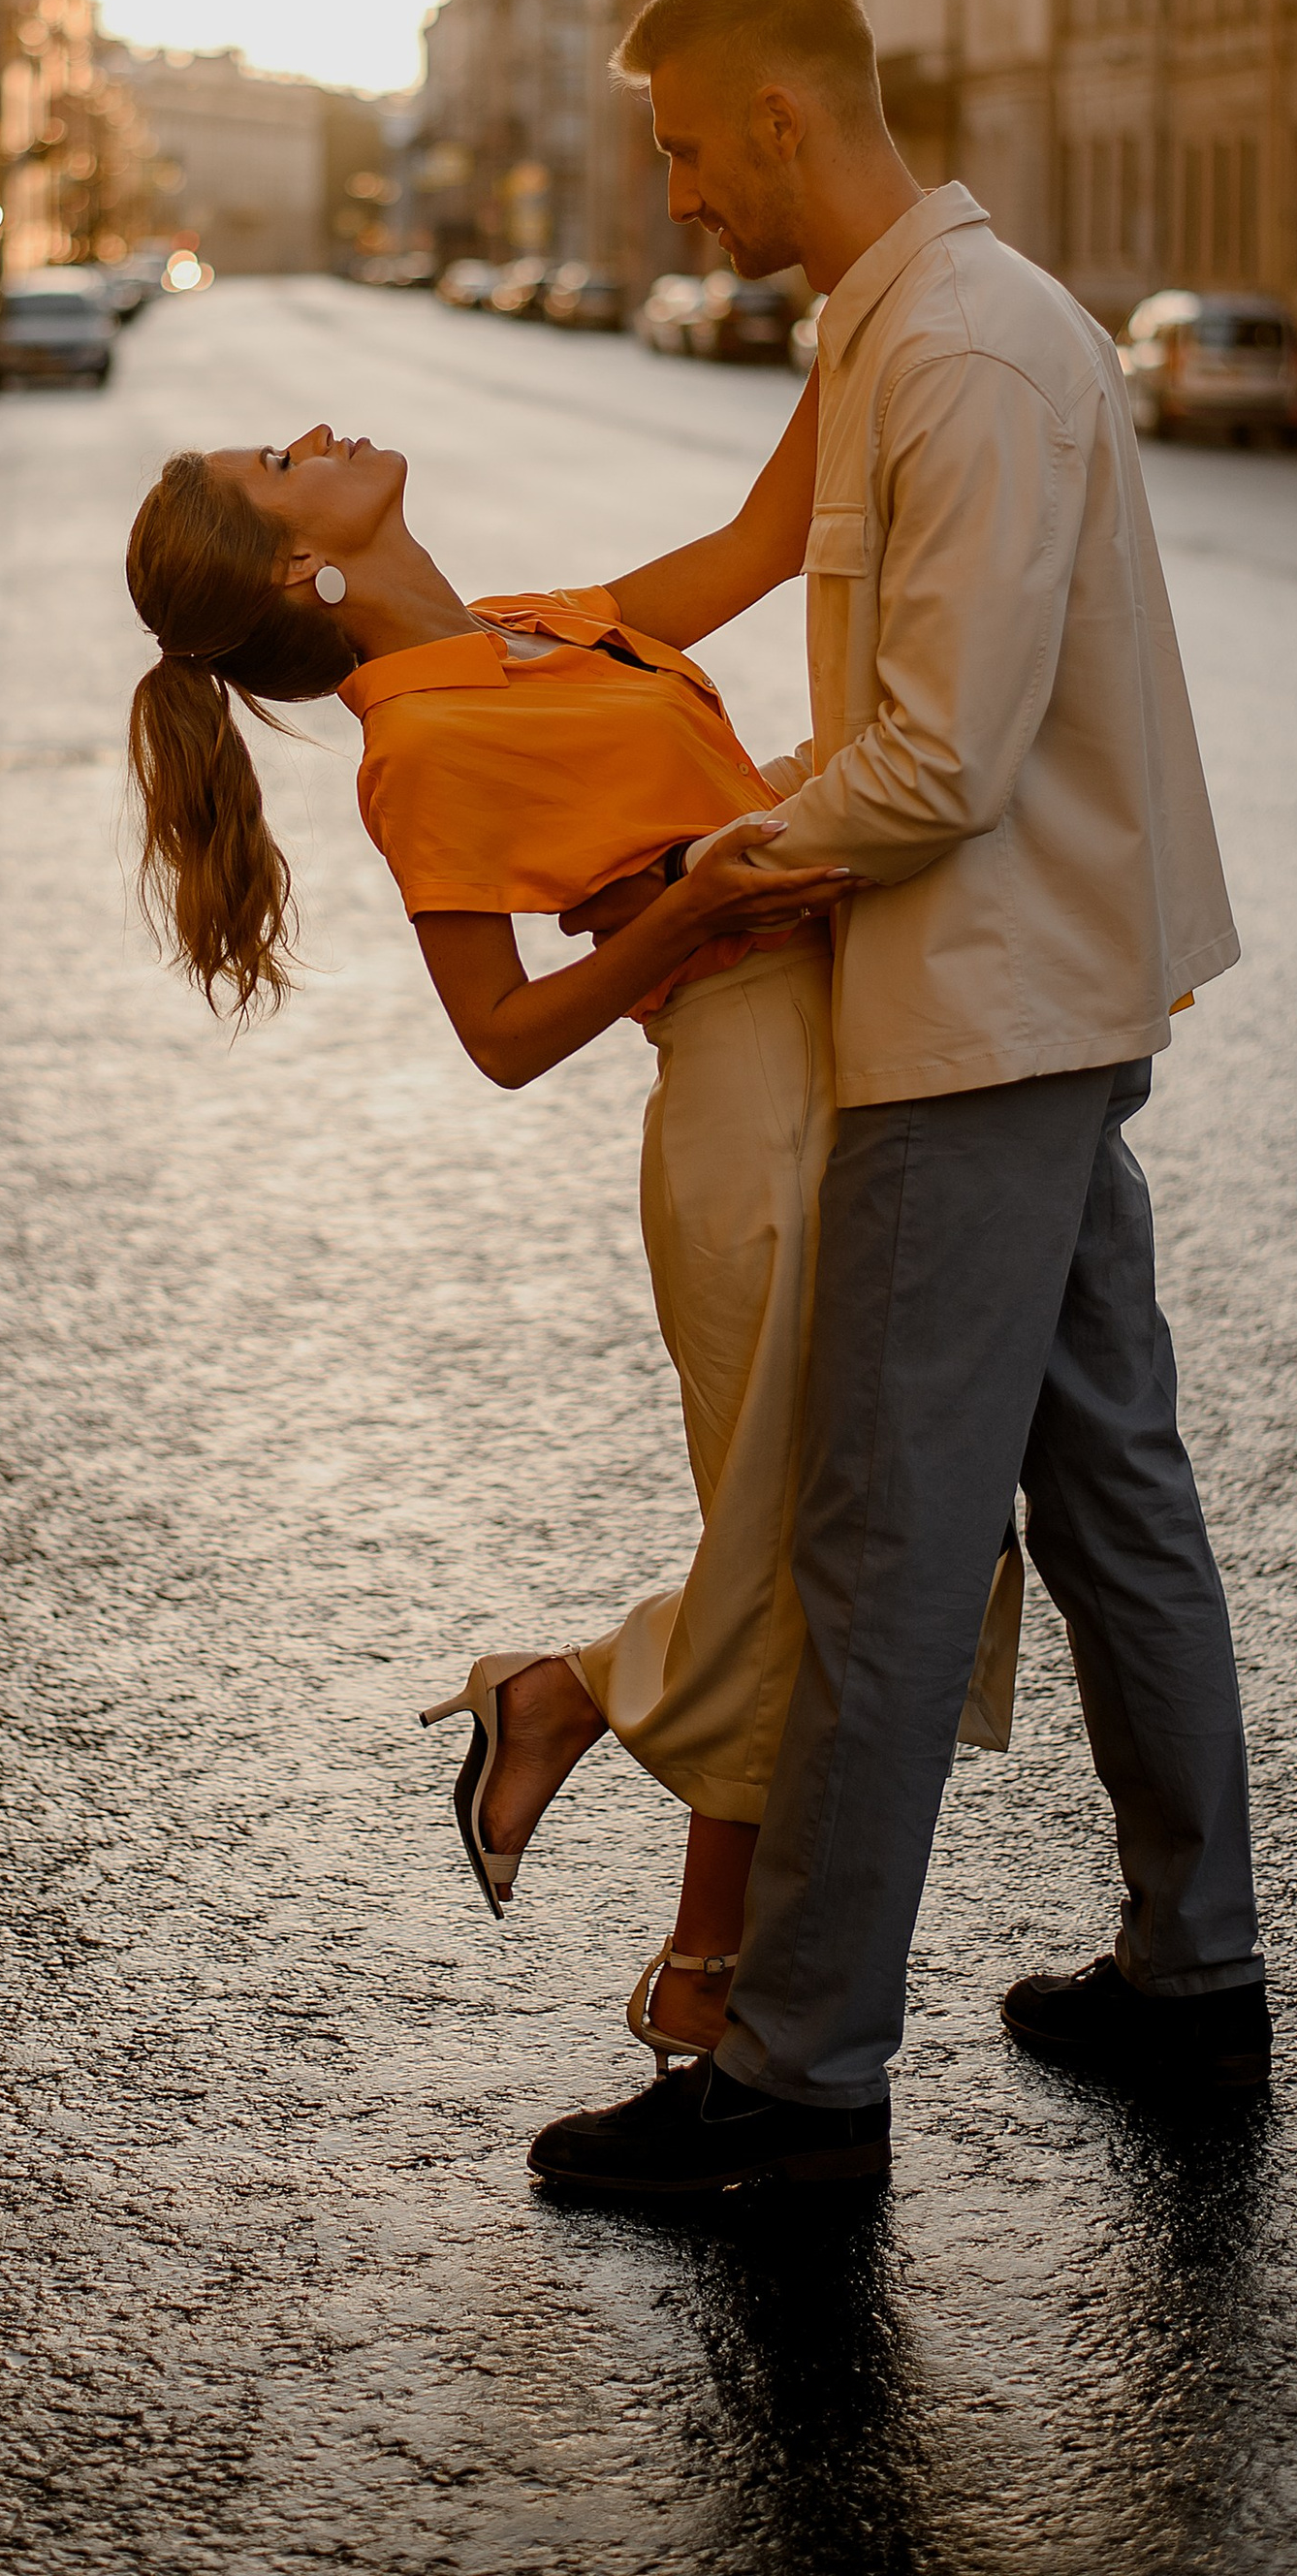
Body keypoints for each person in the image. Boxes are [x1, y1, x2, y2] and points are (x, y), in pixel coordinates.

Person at [522, 0, 1266, 2208]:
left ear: (774, 117)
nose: (666, 200)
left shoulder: (959, 350)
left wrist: (698, 858)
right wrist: (517, 672)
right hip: (1016, 992)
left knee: (874, 1542)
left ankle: (794, 2080)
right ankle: (1187, 1975)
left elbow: (930, 764)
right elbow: (767, 592)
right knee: (1109, 1484)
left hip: (972, 1014)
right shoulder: (887, 325)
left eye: (675, 148)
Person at [122, 422, 1026, 2066]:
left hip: (849, 1033)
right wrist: (690, 907)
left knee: (857, 1535)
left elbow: (762, 537)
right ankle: (687, 1947)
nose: (314, 432)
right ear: (292, 566)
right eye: (277, 461)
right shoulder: (421, 744)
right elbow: (504, 1033)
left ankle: (593, 1751)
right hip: (744, 1102)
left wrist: (866, 286)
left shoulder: (542, 626)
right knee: (822, 1549)